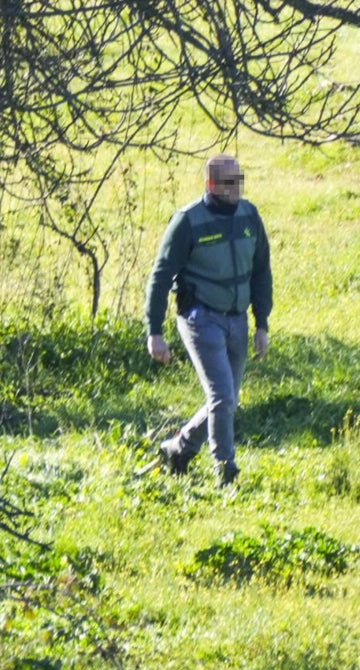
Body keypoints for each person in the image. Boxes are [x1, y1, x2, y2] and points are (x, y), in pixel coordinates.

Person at [144, 153, 273, 487]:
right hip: (200, 319)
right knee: (222, 396)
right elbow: (160, 277)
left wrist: (262, 324)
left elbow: (261, 271)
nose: (237, 188)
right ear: (212, 184)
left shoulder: (249, 216)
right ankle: (225, 469)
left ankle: (178, 448)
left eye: (239, 180)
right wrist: (154, 332)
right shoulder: (188, 221)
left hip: (238, 320)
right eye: (230, 182)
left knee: (228, 399)